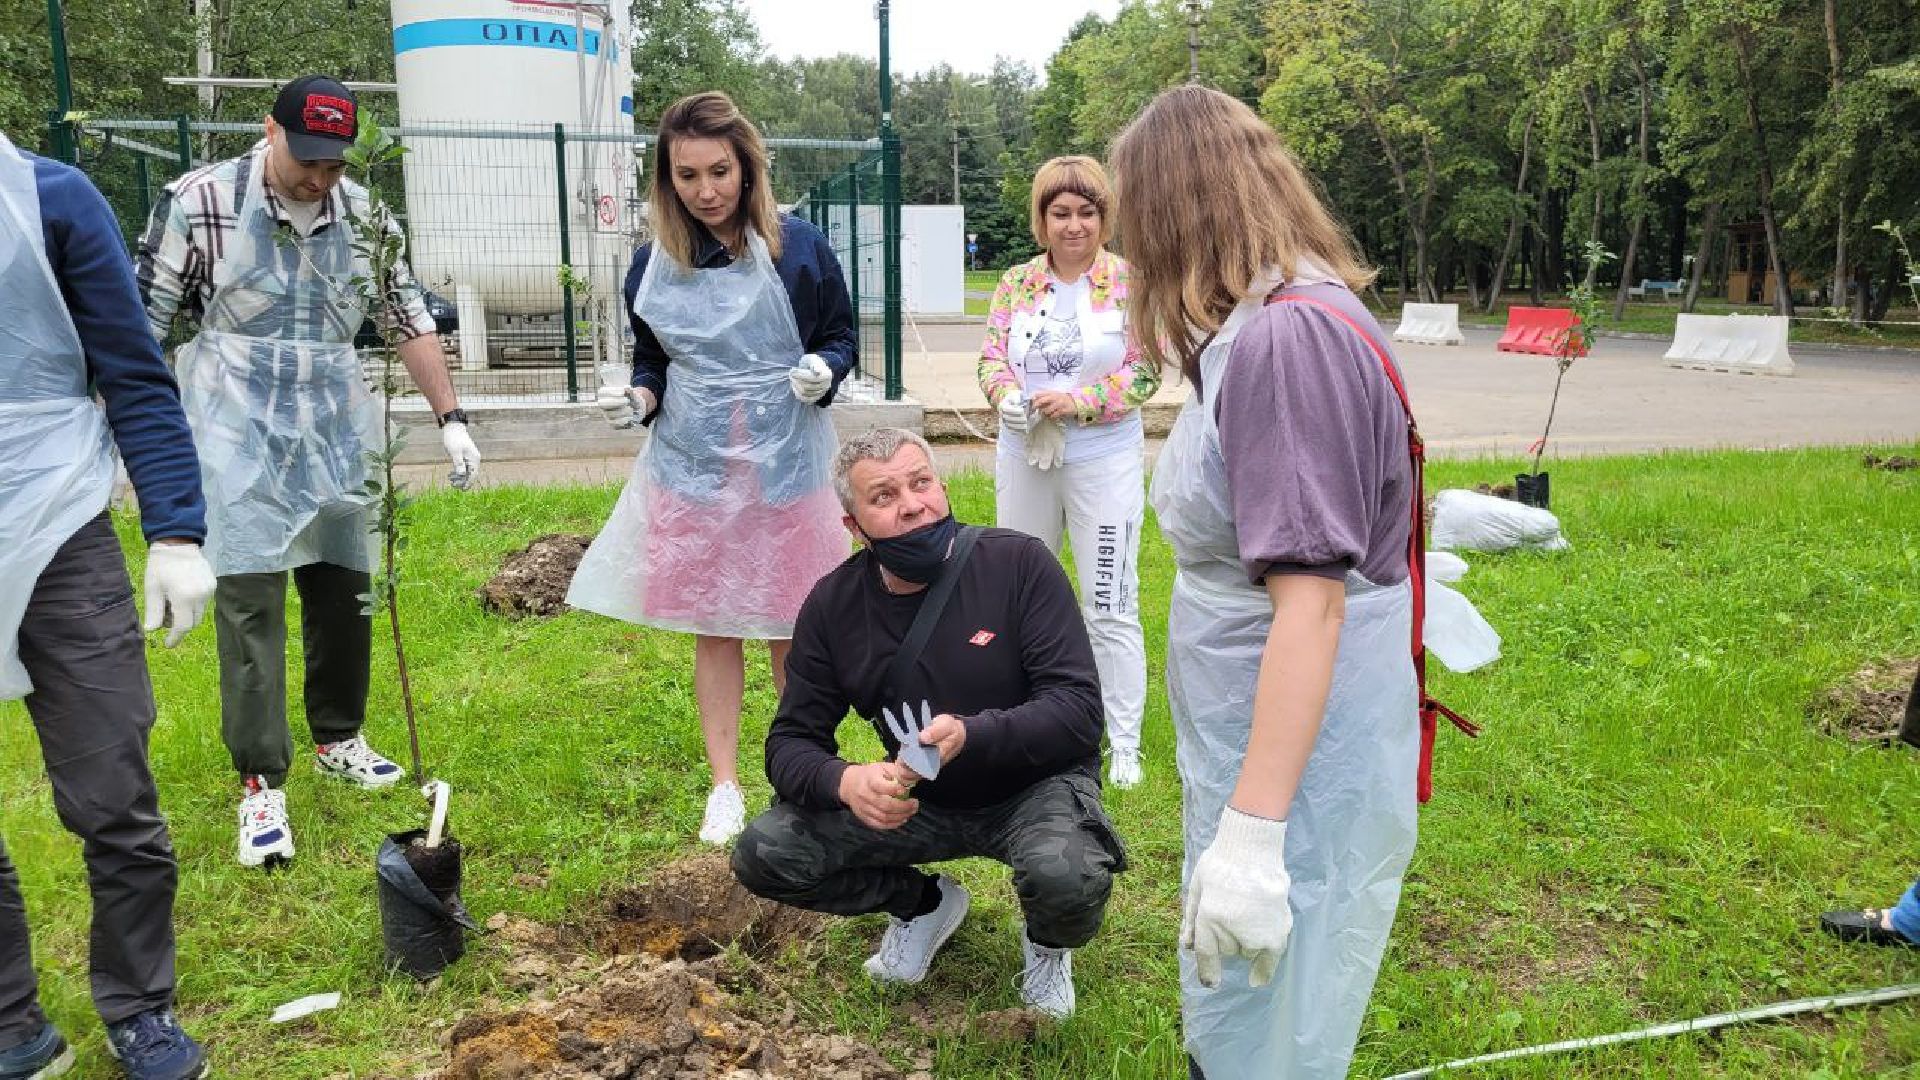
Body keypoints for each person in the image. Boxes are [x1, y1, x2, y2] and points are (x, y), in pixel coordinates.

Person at [1112, 85, 1426, 1079]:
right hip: (1259, 712)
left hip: (1293, 738)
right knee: (1260, 990)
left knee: (1270, 986)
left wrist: (1251, 838)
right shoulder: (1282, 314)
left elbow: (1312, 600)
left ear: (1172, 213)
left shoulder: (1287, 339)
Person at [137, 76, 482, 869]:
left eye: (334, 165)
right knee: (250, 595)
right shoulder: (199, 203)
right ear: (270, 130)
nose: (320, 180)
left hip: (330, 421)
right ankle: (262, 781)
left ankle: (339, 735)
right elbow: (141, 325)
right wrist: (141, 447)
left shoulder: (365, 218)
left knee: (344, 586)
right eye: (307, 160)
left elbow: (405, 317)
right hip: (233, 425)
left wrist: (451, 418)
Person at [730, 428, 1127, 1019]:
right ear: (854, 526)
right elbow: (790, 743)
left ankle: (1046, 945)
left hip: (1033, 788)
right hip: (920, 802)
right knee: (766, 851)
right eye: (884, 496)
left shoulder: (1017, 564)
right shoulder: (833, 607)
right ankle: (923, 903)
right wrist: (846, 782)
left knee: (1066, 875)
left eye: (922, 483)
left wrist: (974, 733)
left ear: (941, 486)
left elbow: (1077, 712)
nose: (913, 504)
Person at [570, 91, 857, 845]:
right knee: (717, 621)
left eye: (719, 172)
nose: (706, 191)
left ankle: (806, 774)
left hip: (785, 458)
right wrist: (638, 398)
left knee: (794, 623)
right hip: (695, 462)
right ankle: (724, 786)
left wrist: (822, 372)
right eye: (688, 176)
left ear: (747, 166)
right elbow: (652, 359)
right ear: (667, 179)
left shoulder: (798, 248)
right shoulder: (653, 264)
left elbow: (840, 336)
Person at [0, 131, 215, 1079]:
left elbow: (131, 367)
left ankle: (138, 1006)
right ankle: (10, 1021)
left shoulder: (50, 199)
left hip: (53, 517)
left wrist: (175, 530)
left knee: (110, 785)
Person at [977, 155, 1157, 790]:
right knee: (1020, 595)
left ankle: (1124, 740)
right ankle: (1026, 728)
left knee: (1109, 600)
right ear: (1042, 219)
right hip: (1026, 454)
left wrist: (1079, 402)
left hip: (1102, 457)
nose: (1073, 226)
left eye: (1086, 212)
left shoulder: (1132, 283)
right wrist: (1009, 401)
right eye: (1060, 213)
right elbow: (992, 359)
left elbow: (1146, 371)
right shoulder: (1016, 284)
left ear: (1104, 218)